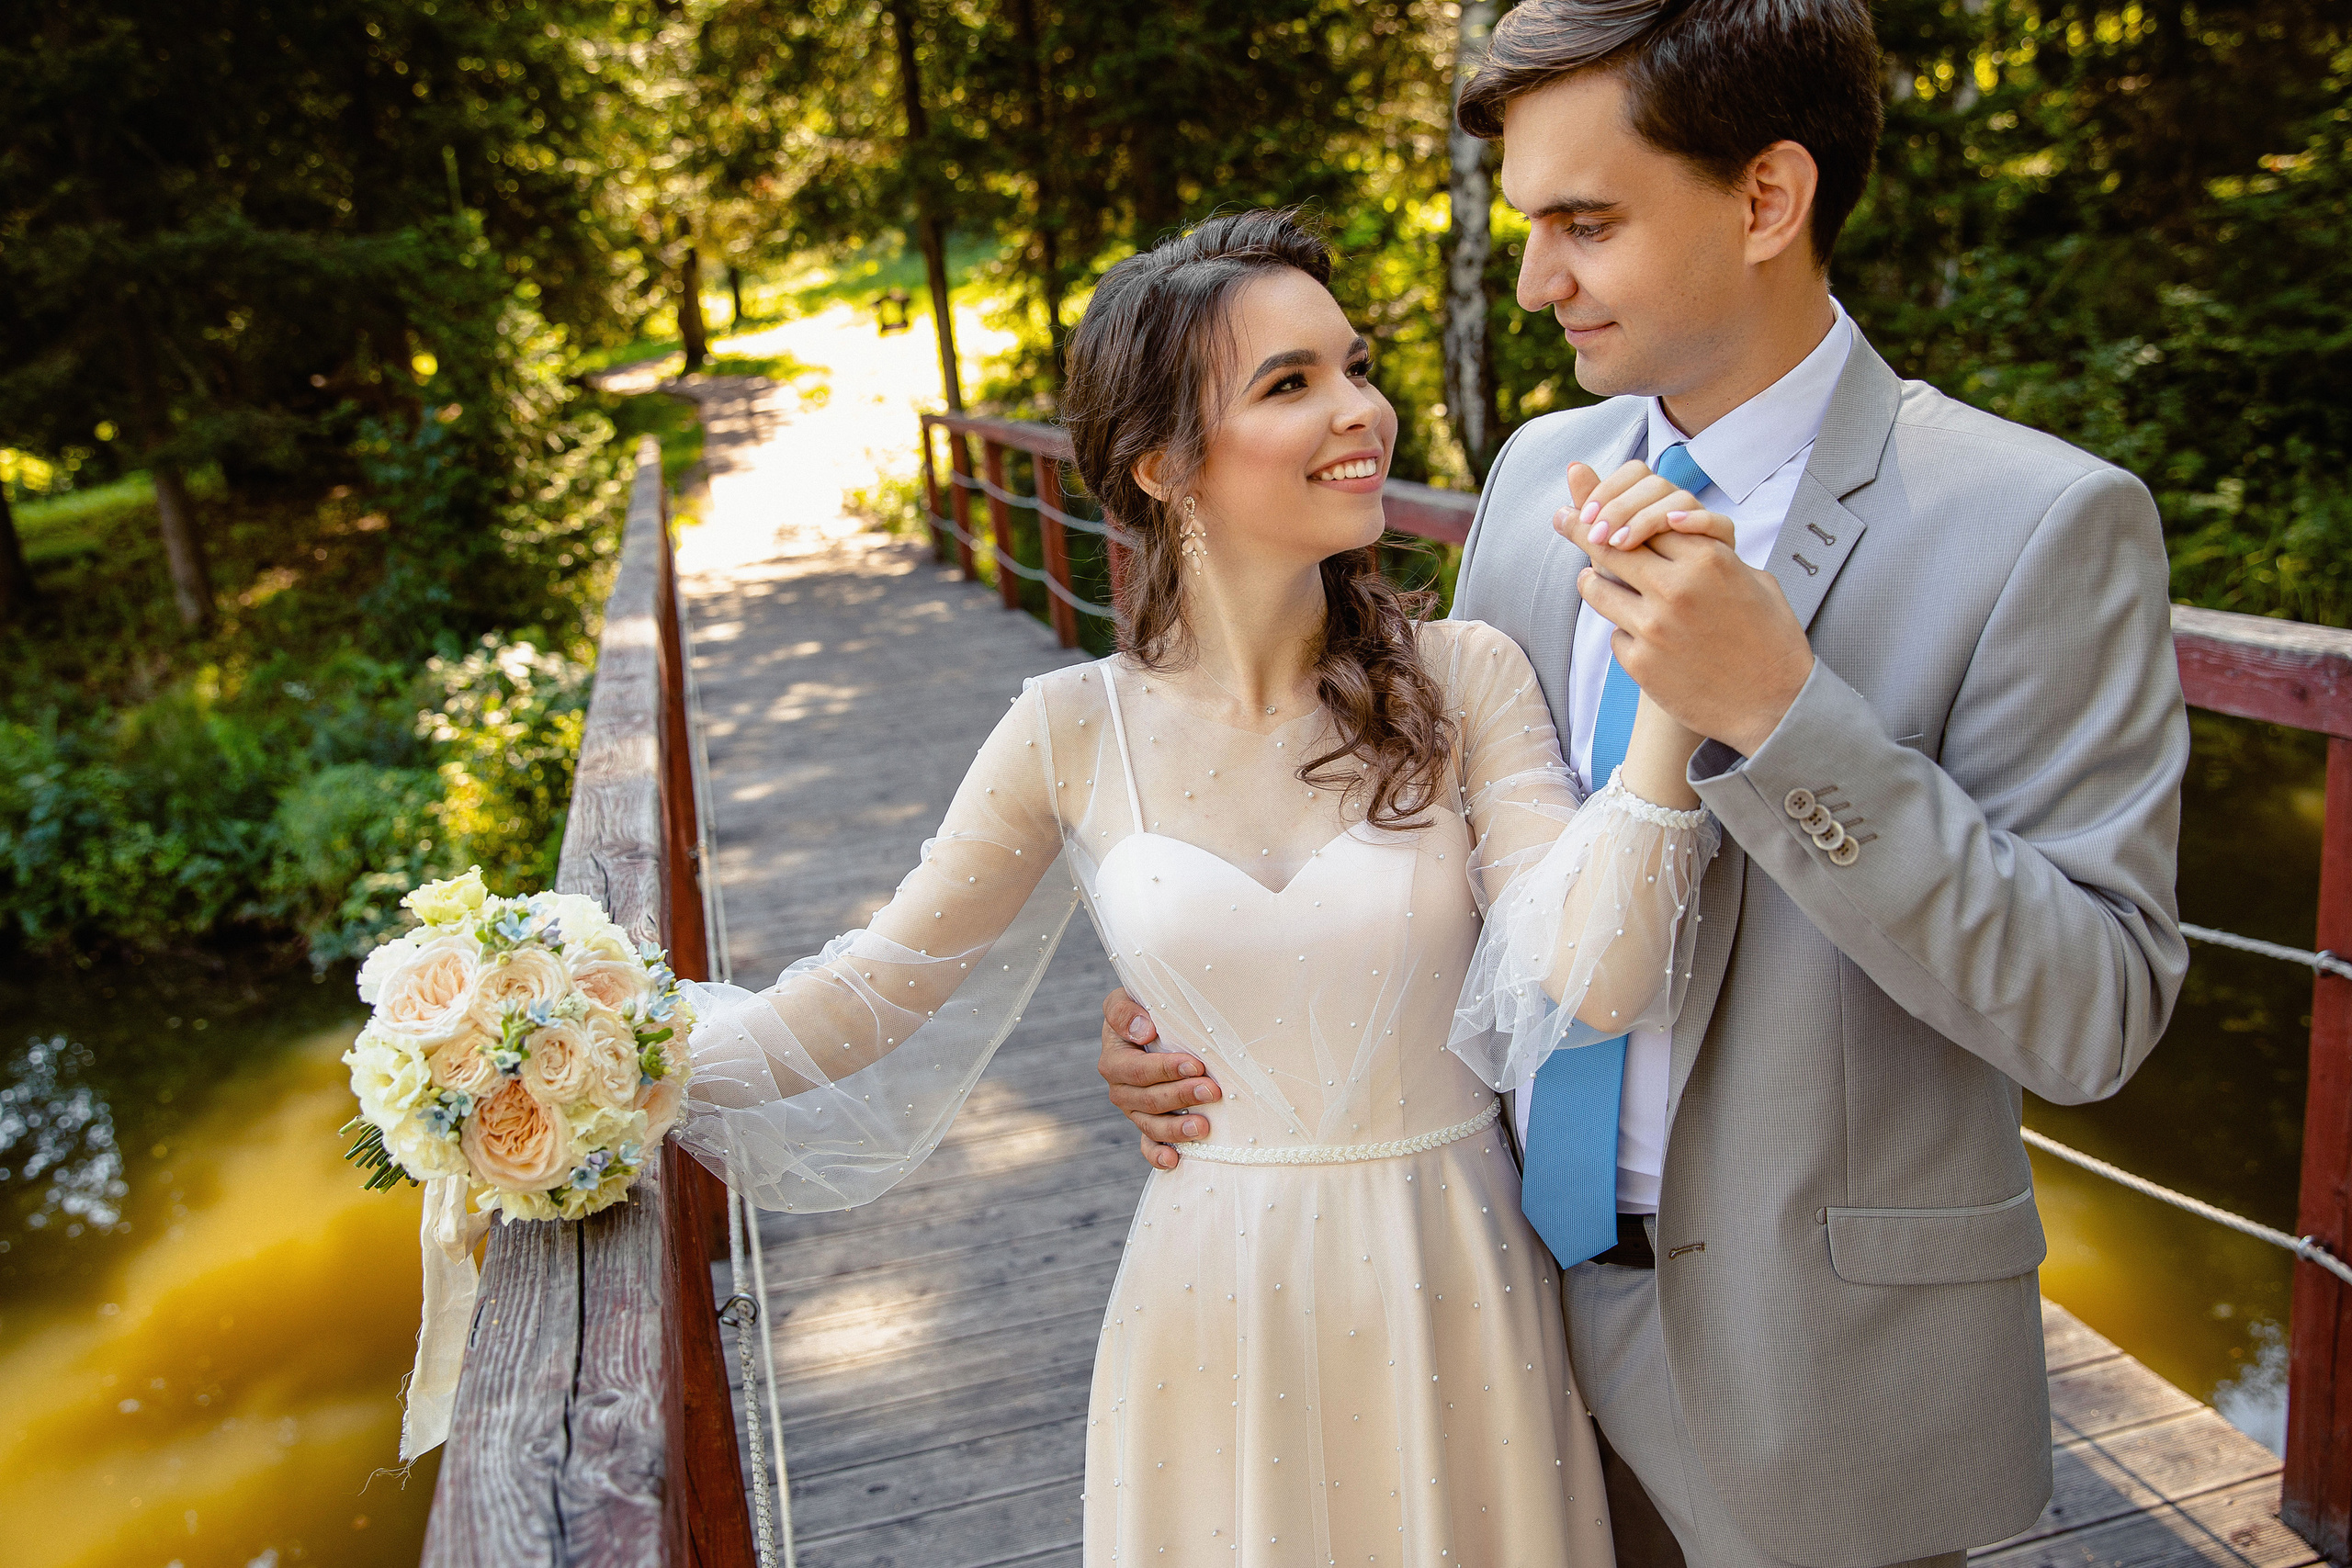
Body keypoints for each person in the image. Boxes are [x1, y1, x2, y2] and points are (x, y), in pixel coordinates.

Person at [1095, 5, 2191, 1567]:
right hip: (1483, 1334)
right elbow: (1450, 851)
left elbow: (2094, 1011)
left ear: (1766, 200)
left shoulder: (2043, 523)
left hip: (1824, 1391)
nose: (1538, 279)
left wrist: (1788, 713)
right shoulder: (1539, 475)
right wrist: (1202, 995)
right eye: (1532, 226)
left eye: (1584, 224)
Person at [676, 208, 1730, 1565]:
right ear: (1167, 463)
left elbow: (1596, 977)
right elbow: (877, 987)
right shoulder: (1070, 728)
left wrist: (1667, 719)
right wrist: (604, 1058)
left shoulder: (1464, 680)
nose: (1363, 410)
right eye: (1292, 385)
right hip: (1212, 1293)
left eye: (1356, 365)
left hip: (1453, 1280)